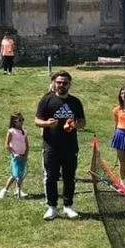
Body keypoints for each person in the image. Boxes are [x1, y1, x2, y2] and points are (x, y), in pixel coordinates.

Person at [34, 71, 86, 220]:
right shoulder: (47, 100)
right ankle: (52, 207)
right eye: (59, 82)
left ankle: (68, 206)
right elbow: (37, 120)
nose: (61, 85)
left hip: (70, 146)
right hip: (51, 146)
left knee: (69, 177)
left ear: (69, 84)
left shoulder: (75, 102)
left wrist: (75, 125)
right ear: (54, 83)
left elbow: (83, 122)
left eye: (65, 83)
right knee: (51, 177)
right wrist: (46, 123)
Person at [0, 112, 29, 199]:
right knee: (14, 174)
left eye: (22, 119)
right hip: (16, 156)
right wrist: (14, 153)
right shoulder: (11, 131)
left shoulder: (24, 132)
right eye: (19, 120)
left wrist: (26, 155)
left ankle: (18, 190)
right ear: (14, 121)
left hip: (22, 156)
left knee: (21, 174)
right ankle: (4, 190)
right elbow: (7, 145)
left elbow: (27, 145)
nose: (21, 122)